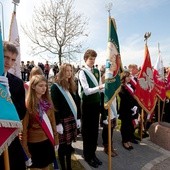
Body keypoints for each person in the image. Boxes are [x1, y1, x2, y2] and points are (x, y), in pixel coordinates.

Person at [22, 75, 59, 170]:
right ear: (33, 86)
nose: (44, 88)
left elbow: (52, 122)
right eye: (41, 85)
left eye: (45, 86)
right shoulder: (27, 105)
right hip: (34, 145)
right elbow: (23, 130)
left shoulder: (48, 102)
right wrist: (25, 151)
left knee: (46, 168)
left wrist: (56, 139)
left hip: (47, 142)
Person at [0, 41, 27, 170]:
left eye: (12, 59)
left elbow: (22, 111)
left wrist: (7, 97)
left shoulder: (16, 82)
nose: (8, 62)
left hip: (10, 138)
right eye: (5, 57)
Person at [50, 63, 81, 170]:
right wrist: (58, 123)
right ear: (62, 72)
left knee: (69, 146)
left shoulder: (73, 84)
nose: (69, 73)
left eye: (70, 70)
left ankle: (69, 167)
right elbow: (55, 107)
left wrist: (78, 118)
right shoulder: (56, 87)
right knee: (62, 147)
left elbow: (77, 102)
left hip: (72, 119)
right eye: (66, 70)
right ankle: (63, 167)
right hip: (62, 121)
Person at [78, 49, 104, 168]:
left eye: (94, 59)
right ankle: (87, 156)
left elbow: (100, 88)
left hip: (96, 104)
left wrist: (107, 89)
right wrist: (99, 87)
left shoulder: (97, 71)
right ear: (85, 59)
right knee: (87, 132)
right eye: (90, 59)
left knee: (94, 131)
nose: (92, 61)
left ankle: (93, 154)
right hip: (87, 105)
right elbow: (87, 91)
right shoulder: (82, 72)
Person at [118, 70, 139, 150]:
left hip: (132, 109)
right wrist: (131, 107)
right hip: (125, 110)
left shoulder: (131, 85)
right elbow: (125, 99)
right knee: (125, 126)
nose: (129, 78)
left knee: (130, 126)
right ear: (124, 77)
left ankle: (128, 139)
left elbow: (135, 96)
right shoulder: (121, 87)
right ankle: (124, 141)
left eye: (130, 76)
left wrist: (135, 106)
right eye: (127, 76)